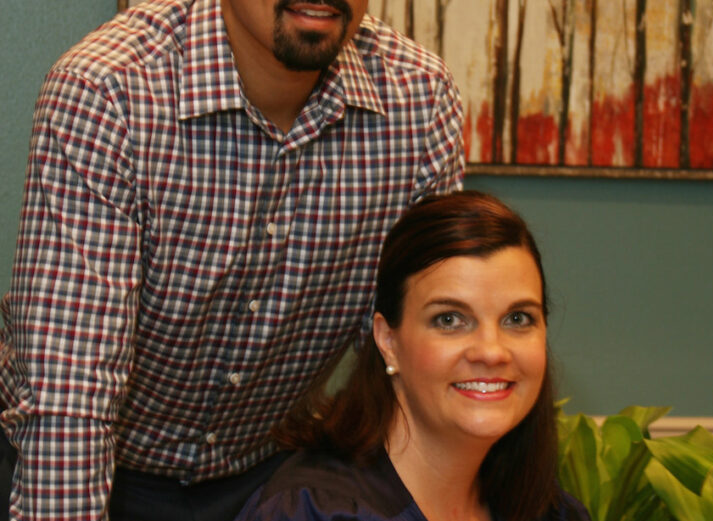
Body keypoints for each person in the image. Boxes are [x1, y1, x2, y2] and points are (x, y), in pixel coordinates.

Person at [0, 0, 464, 519]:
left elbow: (420, 347)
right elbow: (70, 395)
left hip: (263, 472)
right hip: (69, 463)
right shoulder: (108, 90)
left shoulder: (419, 101)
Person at [235, 191, 591, 521]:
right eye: (449, 319)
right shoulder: (312, 510)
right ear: (388, 340)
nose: (491, 351)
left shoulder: (552, 512)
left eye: (518, 318)